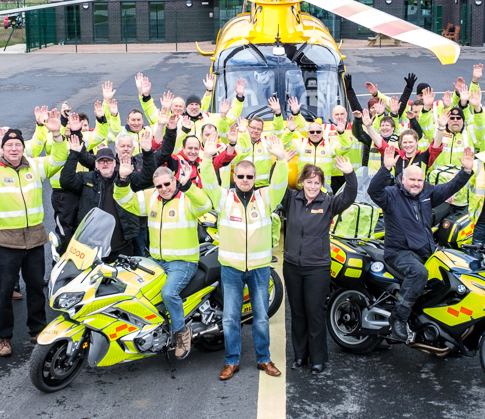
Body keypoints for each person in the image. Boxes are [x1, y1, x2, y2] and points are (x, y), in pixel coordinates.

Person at [0, 112, 67, 357]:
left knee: (36, 289)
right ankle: (3, 338)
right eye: (9, 145)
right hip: (5, 241)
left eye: (18, 145)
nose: (14, 149)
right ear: (1, 149)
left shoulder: (36, 166)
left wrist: (56, 133)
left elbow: (60, 157)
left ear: (23, 148)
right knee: (3, 292)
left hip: (34, 238)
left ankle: (37, 330)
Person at [200, 133, 289, 380]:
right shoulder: (224, 199)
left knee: (261, 318)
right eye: (241, 176)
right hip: (231, 269)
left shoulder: (265, 198)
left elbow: (280, 185)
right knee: (230, 318)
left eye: (250, 176)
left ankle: (264, 359)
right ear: (234, 177)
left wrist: (281, 161)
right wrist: (206, 159)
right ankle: (232, 361)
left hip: (260, 269)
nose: (246, 180)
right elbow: (208, 182)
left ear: (255, 178)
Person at [369, 144, 475, 343]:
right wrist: (385, 169)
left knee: (450, 274)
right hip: (399, 252)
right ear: (403, 179)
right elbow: (373, 191)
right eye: (412, 180)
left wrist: (466, 171)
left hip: (426, 251)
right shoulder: (391, 195)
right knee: (419, 273)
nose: (416, 183)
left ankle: (437, 326)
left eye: (419, 180)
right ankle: (398, 318)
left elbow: (450, 187)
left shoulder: (427, 193)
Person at [116, 164, 211, 359]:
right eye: (159, 186)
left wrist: (189, 187)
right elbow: (127, 201)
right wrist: (123, 181)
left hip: (183, 262)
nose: (164, 188)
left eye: (167, 184)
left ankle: (181, 333)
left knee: (168, 293)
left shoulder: (186, 197)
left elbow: (204, 206)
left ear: (175, 181)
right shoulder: (152, 197)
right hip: (157, 260)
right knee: (137, 289)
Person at [280, 158, 357, 375]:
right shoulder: (291, 199)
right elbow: (275, 184)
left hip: (317, 267)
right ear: (302, 181)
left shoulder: (328, 202)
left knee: (314, 312)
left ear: (321, 185)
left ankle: (317, 359)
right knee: (297, 312)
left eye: (317, 183)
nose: (313, 187)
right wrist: (279, 161)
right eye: (309, 182)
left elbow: (349, 196)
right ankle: (300, 356)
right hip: (292, 266)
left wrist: (349, 174)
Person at [60, 132, 156, 261]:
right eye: (101, 161)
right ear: (96, 164)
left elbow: (148, 178)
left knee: (123, 278)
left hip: (122, 243)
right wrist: (74, 154)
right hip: (92, 244)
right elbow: (66, 181)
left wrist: (148, 152)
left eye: (108, 161)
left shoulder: (126, 177)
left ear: (114, 163)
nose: (105, 164)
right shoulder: (86, 178)